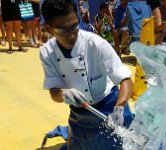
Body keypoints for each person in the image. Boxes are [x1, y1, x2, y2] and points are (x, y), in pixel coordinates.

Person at [40, 0, 134, 149]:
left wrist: (120, 108)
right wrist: (64, 95)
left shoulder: (96, 44)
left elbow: (126, 80)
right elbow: (54, 92)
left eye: (75, 26)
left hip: (110, 104)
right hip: (80, 114)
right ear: (48, 28)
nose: (72, 35)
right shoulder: (47, 53)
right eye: (64, 30)